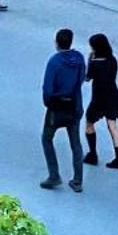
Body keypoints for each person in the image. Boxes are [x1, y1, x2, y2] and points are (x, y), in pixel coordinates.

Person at [39, 27, 87, 192]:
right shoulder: (79, 58)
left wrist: (49, 103)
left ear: (57, 43)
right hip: (74, 105)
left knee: (47, 138)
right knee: (75, 143)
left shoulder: (55, 62)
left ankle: (54, 175)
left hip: (57, 107)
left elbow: (47, 88)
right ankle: (78, 180)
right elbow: (81, 79)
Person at [82, 33, 118, 172]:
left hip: (99, 97)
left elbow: (87, 78)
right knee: (112, 126)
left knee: (89, 123)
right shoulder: (112, 60)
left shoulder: (95, 62)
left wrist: (89, 61)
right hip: (112, 94)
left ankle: (92, 153)